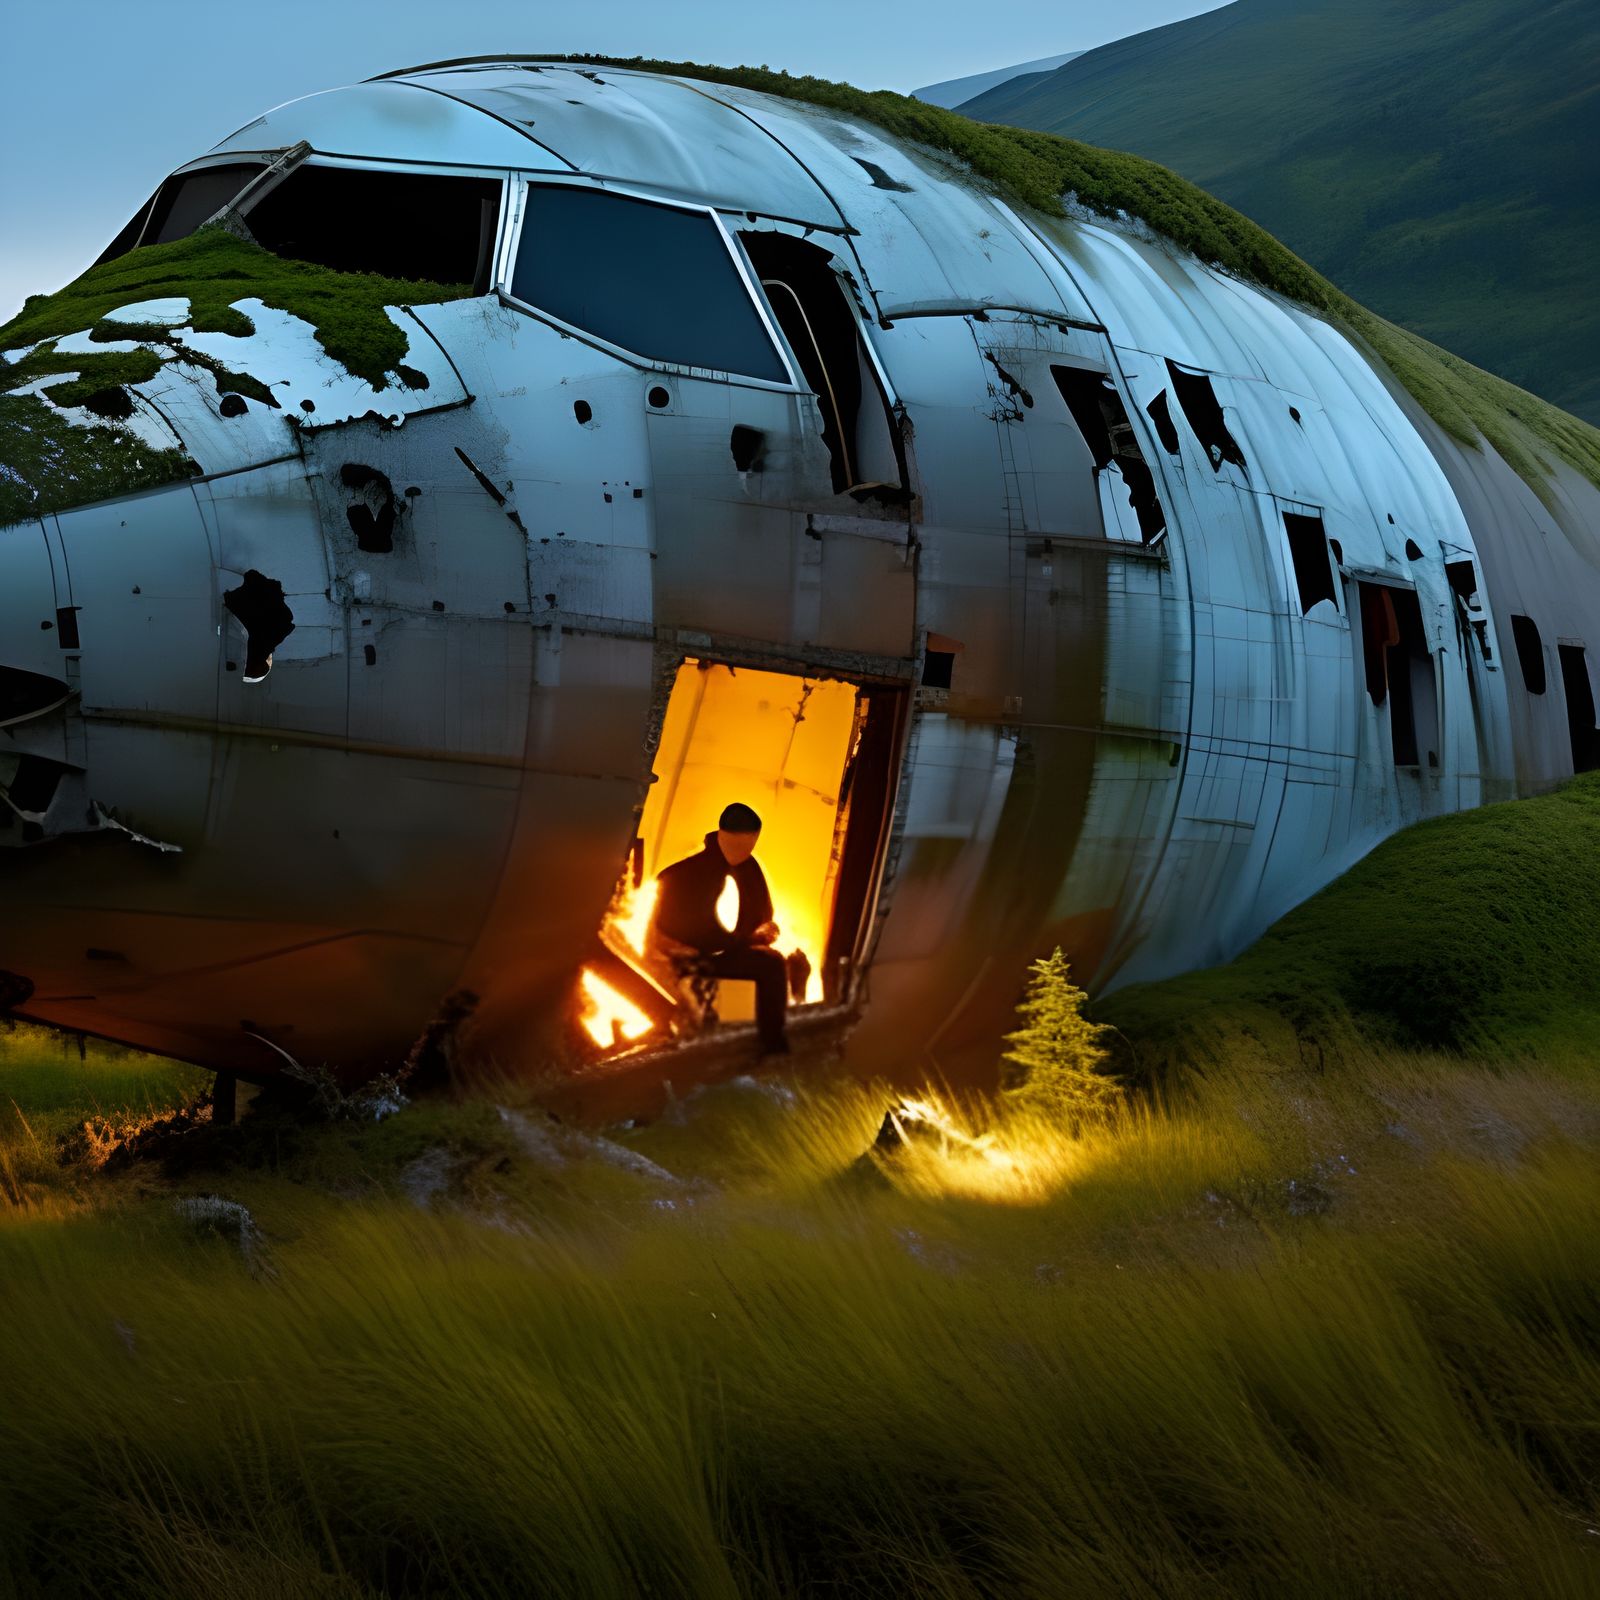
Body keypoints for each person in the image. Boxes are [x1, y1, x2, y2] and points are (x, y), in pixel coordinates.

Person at [650, 802, 790, 1055]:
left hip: (724, 954)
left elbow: (761, 914)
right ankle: (769, 1047)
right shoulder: (688, 875)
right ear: (724, 835)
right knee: (770, 965)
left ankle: (765, 1040)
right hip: (691, 962)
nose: (746, 850)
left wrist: (763, 932)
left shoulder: (749, 869)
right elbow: (698, 935)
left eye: (751, 844)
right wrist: (748, 940)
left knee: (776, 963)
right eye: (741, 842)